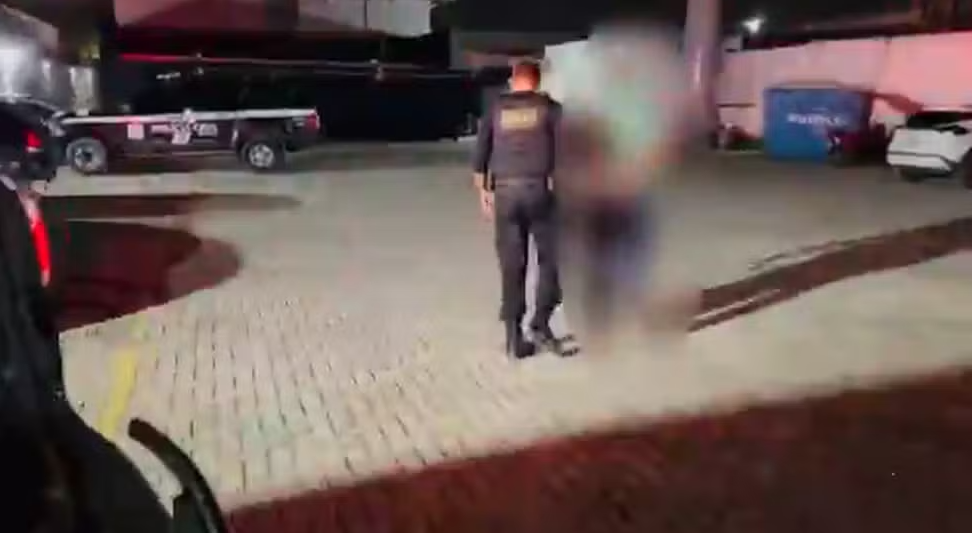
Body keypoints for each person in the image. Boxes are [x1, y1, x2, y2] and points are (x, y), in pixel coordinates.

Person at [472, 60, 564, 359]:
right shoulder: (550, 109)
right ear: (537, 82)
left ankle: (513, 337)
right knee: (552, 259)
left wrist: (483, 192)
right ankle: (541, 323)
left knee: (512, 265)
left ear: (513, 81)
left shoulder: (496, 109)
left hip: (505, 193)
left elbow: (480, 154)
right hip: (540, 191)